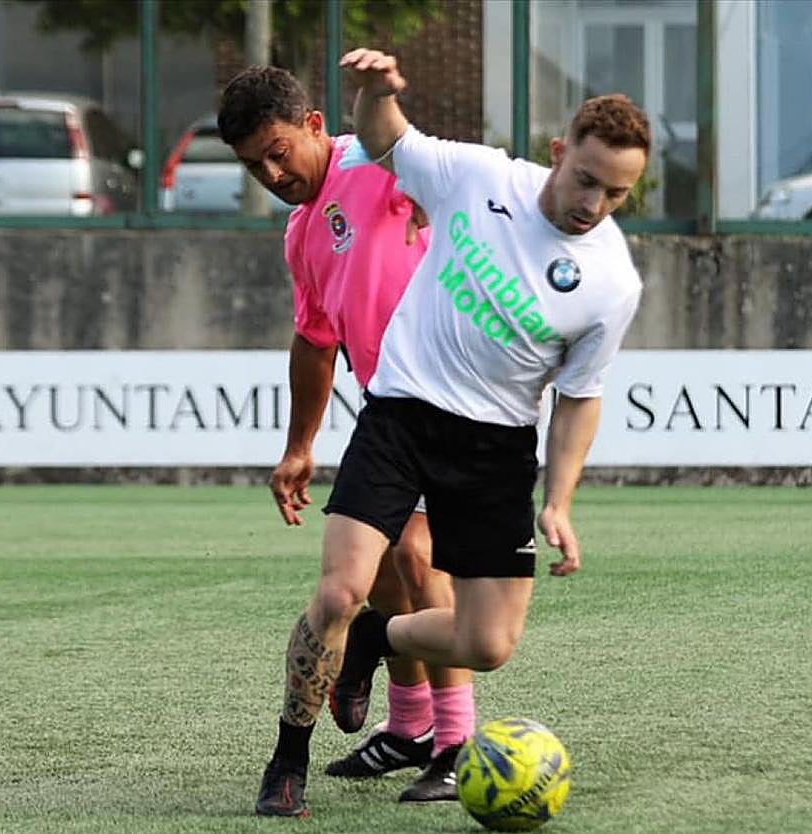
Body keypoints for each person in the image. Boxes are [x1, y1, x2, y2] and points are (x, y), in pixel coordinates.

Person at [253, 46, 650, 818]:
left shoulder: (612, 282)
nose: (593, 204)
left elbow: (578, 397)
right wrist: (376, 90)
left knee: (488, 644)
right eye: (586, 180)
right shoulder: (480, 176)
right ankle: (287, 759)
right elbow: (383, 139)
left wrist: (559, 500)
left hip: (495, 448)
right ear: (559, 154)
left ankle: (379, 641)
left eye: (617, 194)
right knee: (338, 592)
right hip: (400, 415)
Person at [215, 65, 475, 810]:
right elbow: (314, 338)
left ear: (317, 125)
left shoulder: (380, 161)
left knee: (420, 555)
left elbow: (465, 189)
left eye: (278, 151)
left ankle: (454, 744)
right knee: (377, 574)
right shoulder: (301, 234)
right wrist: (300, 445)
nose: (271, 173)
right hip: (387, 412)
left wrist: (438, 207)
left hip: (459, 399)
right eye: (252, 165)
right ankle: (411, 726)